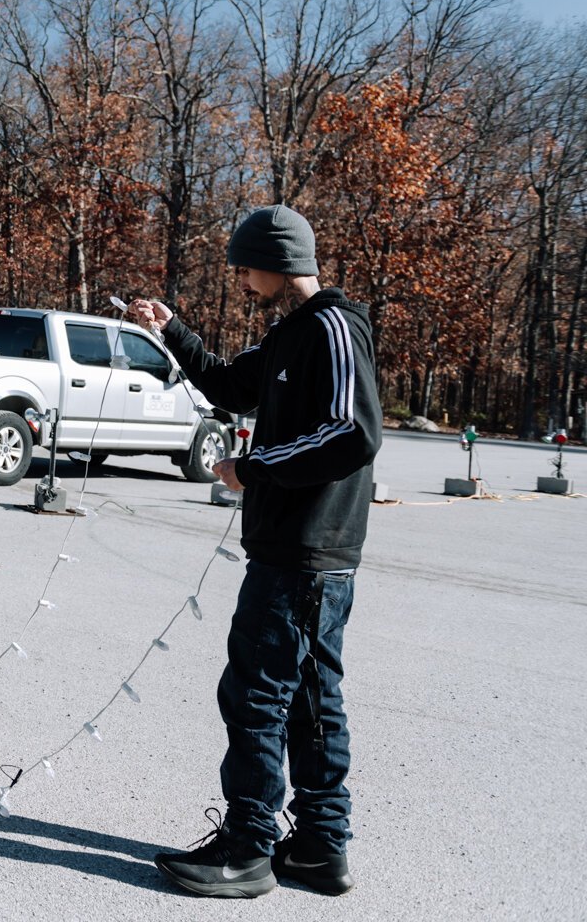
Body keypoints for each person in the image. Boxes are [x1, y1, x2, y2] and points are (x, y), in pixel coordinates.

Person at [130, 204, 381, 898]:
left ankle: (246, 848)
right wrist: (171, 330)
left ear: (276, 259)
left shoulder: (332, 326)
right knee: (306, 697)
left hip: (306, 553)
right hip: (299, 552)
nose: (239, 277)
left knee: (257, 696)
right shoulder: (292, 334)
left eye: (243, 264)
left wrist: (254, 468)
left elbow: (352, 434)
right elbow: (228, 385)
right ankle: (319, 849)